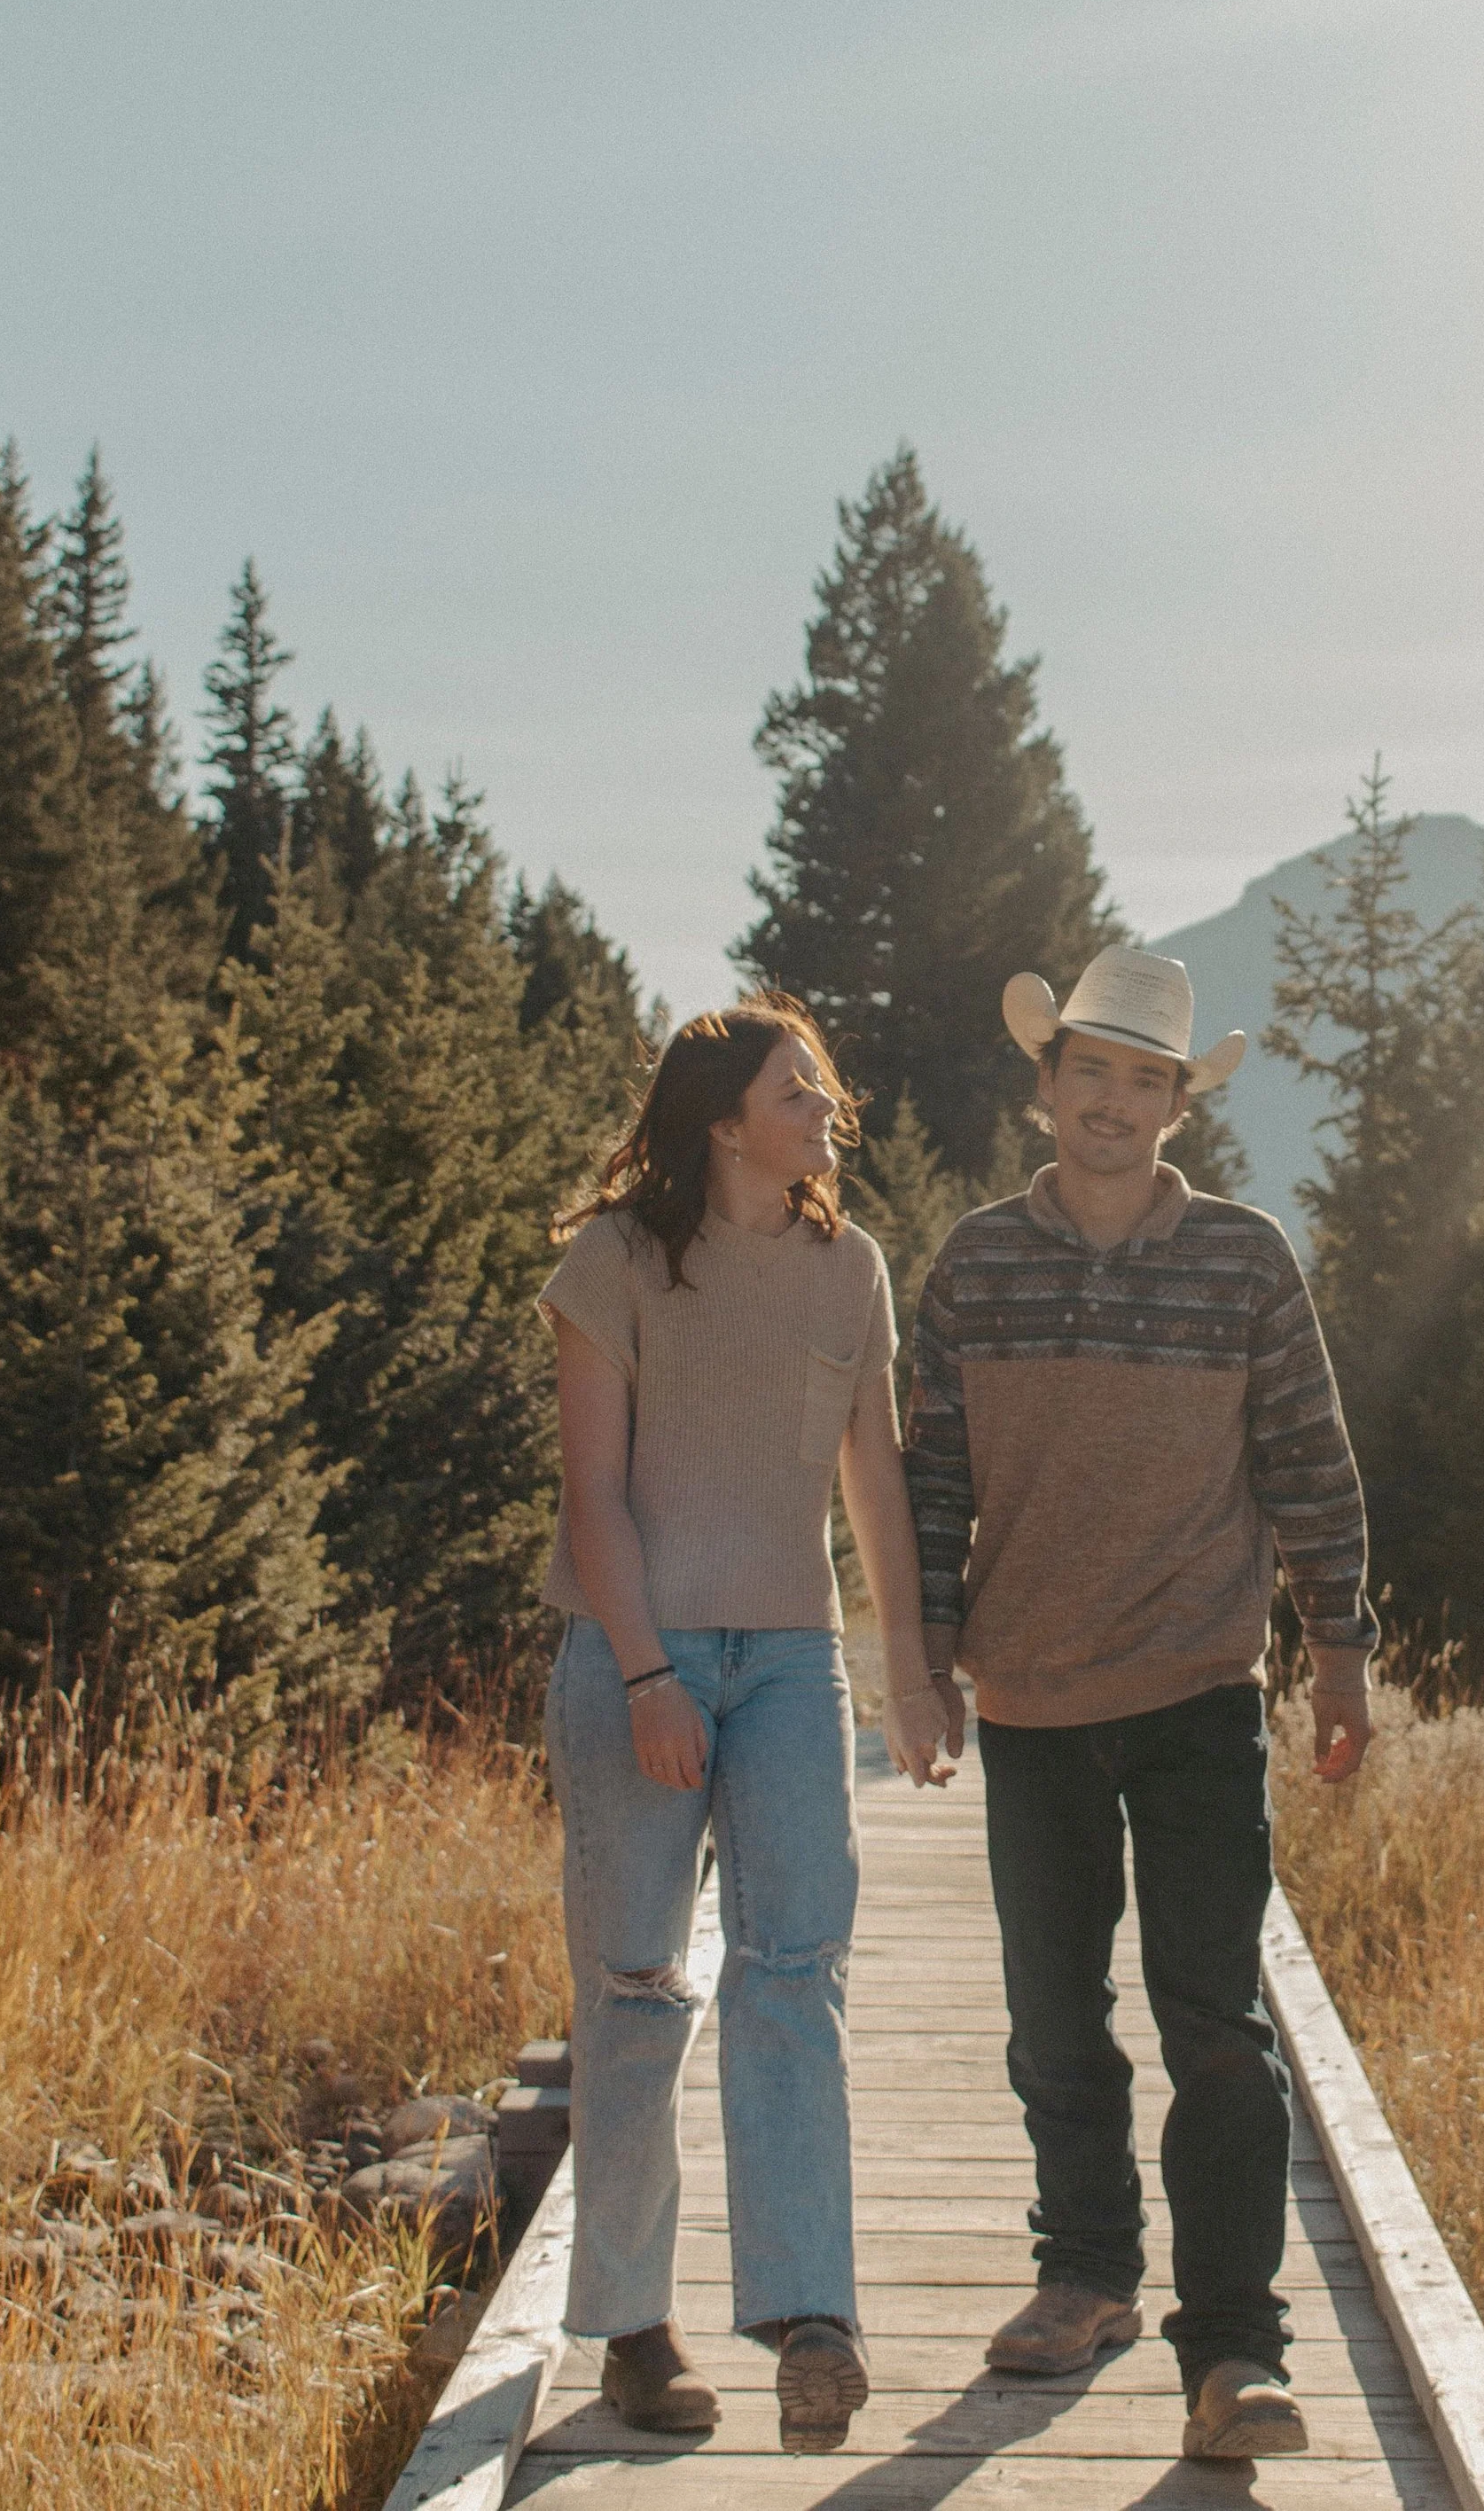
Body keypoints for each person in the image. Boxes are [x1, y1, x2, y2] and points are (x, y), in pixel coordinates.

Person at [903, 946, 1378, 2465]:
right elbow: (926, 1484)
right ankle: (1088, 2273)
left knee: (1218, 2021)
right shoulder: (974, 1264)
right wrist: (919, 1662)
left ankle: (1234, 2349)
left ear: (1182, 1105)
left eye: (1145, 1080)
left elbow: (1308, 1461)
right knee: (1054, 2015)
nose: (1114, 1102)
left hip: (1194, 1690)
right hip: (1030, 1691)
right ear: (1046, 1087)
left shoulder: (1245, 1259)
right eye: (1088, 1071)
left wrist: (1339, 1651)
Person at [540, 995, 957, 2454]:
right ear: (725, 1121)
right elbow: (594, 1495)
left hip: (788, 1662)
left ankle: (807, 2314)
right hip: (631, 1652)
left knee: (796, 1969)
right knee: (639, 1986)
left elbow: (875, 1486)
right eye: (800, 1092)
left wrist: (907, 1669)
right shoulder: (619, 1261)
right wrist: (651, 1675)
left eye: (822, 1090)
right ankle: (634, 2333)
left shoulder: (852, 1271)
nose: (826, 1110)